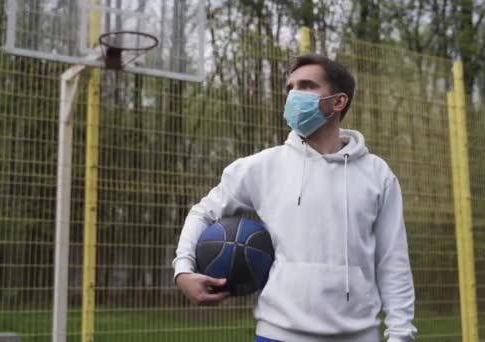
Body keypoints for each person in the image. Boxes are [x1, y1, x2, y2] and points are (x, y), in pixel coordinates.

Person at [172, 53, 416, 342]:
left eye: (307, 86)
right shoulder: (262, 166)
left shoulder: (378, 175)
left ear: (339, 101)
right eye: (290, 88)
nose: (294, 95)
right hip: (277, 334)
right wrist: (183, 271)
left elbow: (393, 261)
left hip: (359, 335)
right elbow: (203, 212)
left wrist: (401, 335)